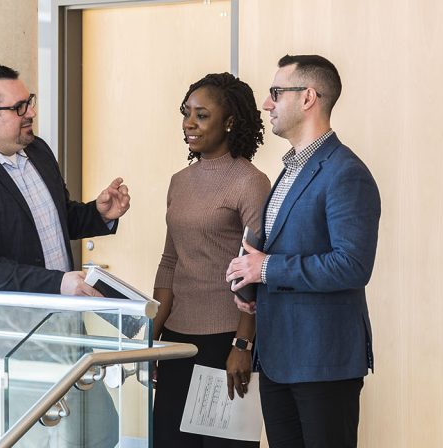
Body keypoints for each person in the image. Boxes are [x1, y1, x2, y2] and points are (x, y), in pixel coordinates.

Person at [0, 64, 130, 448]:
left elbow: (54, 218)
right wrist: (59, 283)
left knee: (100, 431)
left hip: (60, 324)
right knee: (32, 439)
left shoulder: (35, 150)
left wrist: (98, 213)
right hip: (5, 339)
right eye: (19, 107)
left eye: (30, 103)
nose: (31, 113)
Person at [225, 55, 381, 448]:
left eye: (276, 92)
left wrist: (267, 270)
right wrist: (253, 287)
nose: (267, 103)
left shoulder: (345, 172)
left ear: (308, 97)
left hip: (321, 362)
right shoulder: (290, 169)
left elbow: (352, 265)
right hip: (279, 358)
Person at [152, 73, 270, 448]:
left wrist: (242, 345)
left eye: (202, 115)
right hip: (176, 341)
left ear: (229, 121)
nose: (189, 123)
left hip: (226, 341)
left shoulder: (251, 182)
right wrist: (151, 340)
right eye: (186, 113)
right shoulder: (179, 181)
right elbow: (170, 261)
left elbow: (256, 271)